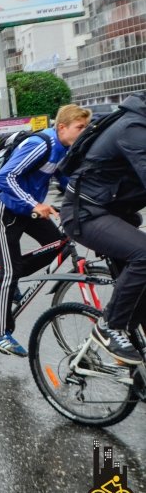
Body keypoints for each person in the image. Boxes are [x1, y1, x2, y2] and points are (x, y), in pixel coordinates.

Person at [0, 104, 91, 356]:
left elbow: (67, 182)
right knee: (11, 270)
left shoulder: (64, 149)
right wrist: (34, 203)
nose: (84, 132)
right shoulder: (41, 144)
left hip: (28, 207)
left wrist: (88, 204)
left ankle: (10, 274)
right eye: (80, 127)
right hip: (5, 206)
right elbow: (5, 177)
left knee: (60, 244)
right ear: (62, 127)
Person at [61, 93, 146, 365]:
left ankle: (134, 359)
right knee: (144, 255)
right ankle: (109, 327)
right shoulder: (132, 129)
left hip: (114, 212)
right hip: (86, 214)